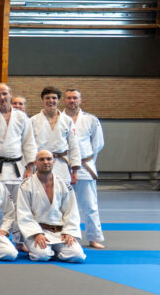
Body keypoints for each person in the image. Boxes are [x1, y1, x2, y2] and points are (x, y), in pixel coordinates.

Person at [16, 150, 86, 263]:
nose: (45, 162)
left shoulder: (63, 184)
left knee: (77, 256)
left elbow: (71, 211)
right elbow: (23, 213)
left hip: (60, 232)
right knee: (42, 256)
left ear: (54, 162)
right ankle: (49, 251)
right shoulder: (26, 185)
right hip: (37, 231)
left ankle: (54, 252)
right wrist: (36, 233)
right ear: (35, 163)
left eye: (49, 159)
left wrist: (69, 232)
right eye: (41, 159)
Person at [0, 83, 36, 201]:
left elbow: (29, 143)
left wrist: (30, 168)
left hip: (17, 169)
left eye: (4, 94)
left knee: (17, 202)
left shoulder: (22, 117)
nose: (2, 97)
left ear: (10, 94)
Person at [64, 88, 105, 249]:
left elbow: (98, 143)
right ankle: (65, 235)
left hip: (84, 165)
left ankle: (94, 237)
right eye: (69, 98)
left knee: (90, 204)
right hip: (63, 166)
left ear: (80, 100)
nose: (72, 101)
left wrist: (87, 159)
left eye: (75, 98)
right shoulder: (59, 118)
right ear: (64, 100)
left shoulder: (91, 119)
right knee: (62, 205)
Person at [30, 86, 80, 186]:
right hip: (41, 164)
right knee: (40, 192)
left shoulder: (67, 120)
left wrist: (75, 170)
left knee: (63, 192)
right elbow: (29, 146)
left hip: (61, 163)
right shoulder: (33, 121)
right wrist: (29, 168)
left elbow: (74, 146)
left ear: (58, 100)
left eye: (54, 98)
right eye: (47, 98)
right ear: (43, 100)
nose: (51, 101)